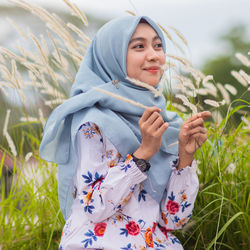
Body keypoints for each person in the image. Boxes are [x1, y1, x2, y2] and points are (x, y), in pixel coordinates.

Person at [39, 15, 211, 250]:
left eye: (158, 45)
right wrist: (142, 155)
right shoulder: (92, 121)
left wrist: (185, 155)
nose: (153, 55)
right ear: (113, 56)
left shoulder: (165, 122)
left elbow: (174, 219)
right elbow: (94, 207)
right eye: (139, 46)